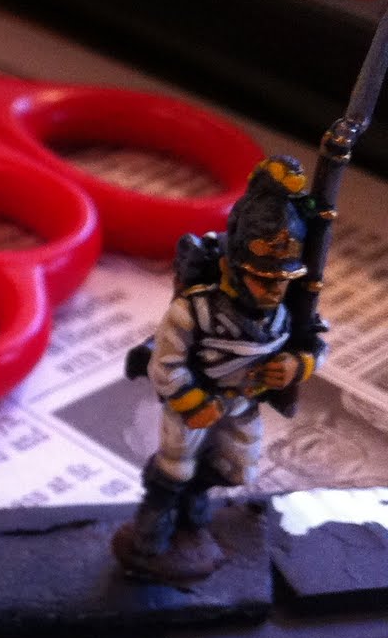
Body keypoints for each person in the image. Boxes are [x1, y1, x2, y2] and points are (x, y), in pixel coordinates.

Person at [115, 157, 322, 580]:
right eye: (264, 279)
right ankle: (153, 528)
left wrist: (297, 364)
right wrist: (194, 402)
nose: (275, 290)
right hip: (195, 404)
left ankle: (193, 500)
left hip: (243, 404)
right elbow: (166, 364)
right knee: (174, 467)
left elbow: (315, 340)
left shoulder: (288, 309)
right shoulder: (195, 311)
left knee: (238, 468)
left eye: (282, 280)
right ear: (232, 268)